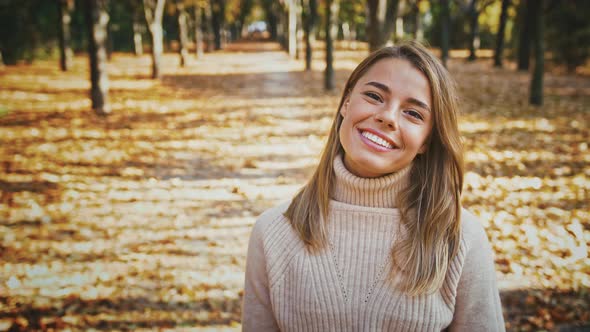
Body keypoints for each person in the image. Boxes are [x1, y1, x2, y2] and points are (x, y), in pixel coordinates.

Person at [241, 41, 505, 331]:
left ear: (426, 142)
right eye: (374, 96)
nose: (387, 117)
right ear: (346, 102)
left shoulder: (459, 239)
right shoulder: (273, 233)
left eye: (413, 113)